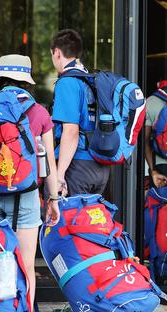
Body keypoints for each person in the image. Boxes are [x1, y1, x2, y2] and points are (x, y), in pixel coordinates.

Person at [0, 54, 61, 312]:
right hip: (27, 193)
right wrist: (53, 198)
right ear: (26, 80)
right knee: (26, 264)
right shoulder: (39, 112)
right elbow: (50, 165)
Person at [50, 28, 110, 196]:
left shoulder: (68, 82)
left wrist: (59, 175)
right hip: (100, 167)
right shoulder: (92, 81)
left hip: (77, 165)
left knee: (66, 220)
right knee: (90, 221)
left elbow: (71, 131)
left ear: (57, 53)